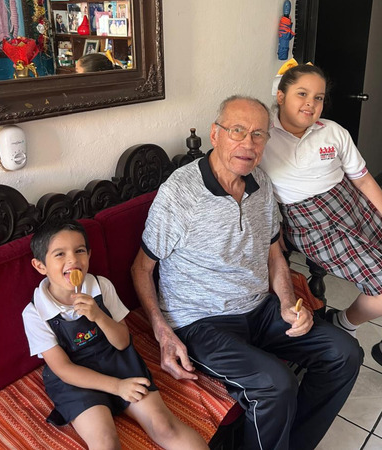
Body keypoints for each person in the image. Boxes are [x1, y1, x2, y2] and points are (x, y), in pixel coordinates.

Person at [132, 96, 363, 450]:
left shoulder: (261, 184)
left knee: (345, 353)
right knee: (276, 385)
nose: (248, 144)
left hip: (259, 308)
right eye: (237, 131)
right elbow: (141, 268)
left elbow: (274, 254)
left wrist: (287, 302)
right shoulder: (180, 193)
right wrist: (162, 332)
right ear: (215, 134)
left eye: (258, 134)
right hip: (201, 321)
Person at [260, 63, 382, 395]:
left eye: (318, 97)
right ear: (281, 96)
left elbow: (363, 180)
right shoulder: (263, 136)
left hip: (353, 207)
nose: (310, 103)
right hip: (312, 223)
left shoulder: (332, 131)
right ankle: (342, 323)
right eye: (302, 93)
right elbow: (251, 188)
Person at [22, 220, 208, 450]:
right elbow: (63, 369)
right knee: (105, 440)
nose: (73, 260)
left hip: (116, 360)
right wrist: (118, 387)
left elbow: (122, 342)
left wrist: (98, 316)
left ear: (89, 255)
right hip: (76, 379)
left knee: (164, 426)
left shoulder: (101, 286)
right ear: (40, 266)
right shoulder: (34, 312)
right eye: (60, 254)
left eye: (79, 251)